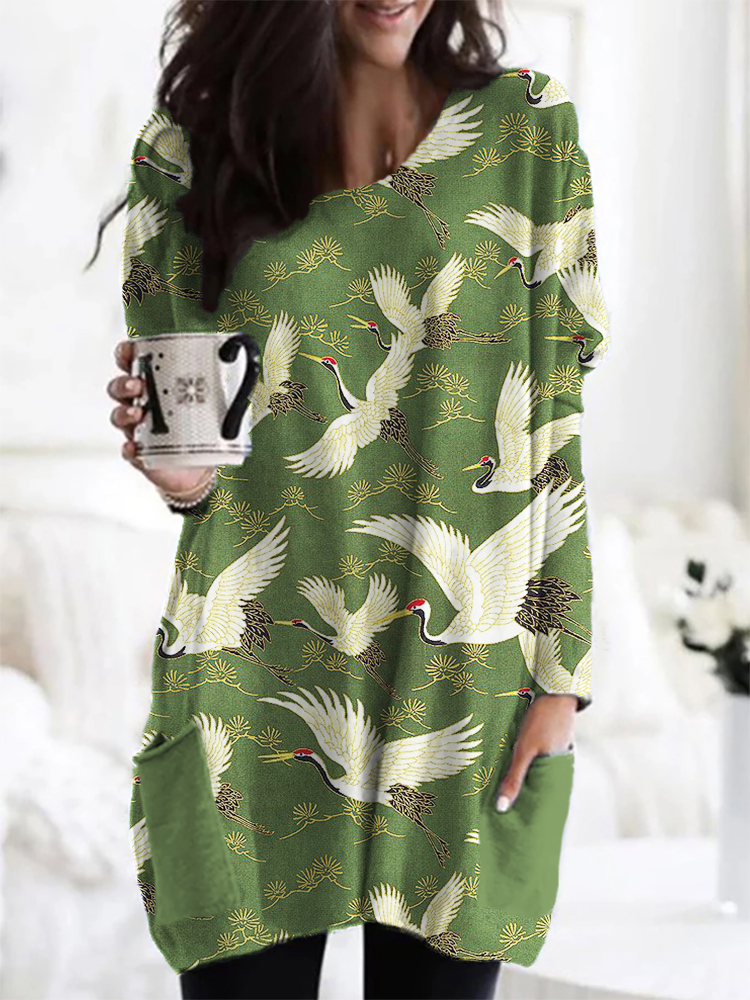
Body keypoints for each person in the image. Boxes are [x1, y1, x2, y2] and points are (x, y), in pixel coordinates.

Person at [95, 0, 610, 997]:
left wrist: (563, 677)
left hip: (462, 676)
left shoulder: (528, 130)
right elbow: (192, 434)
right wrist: (179, 477)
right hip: (249, 674)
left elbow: (553, 424)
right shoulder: (193, 146)